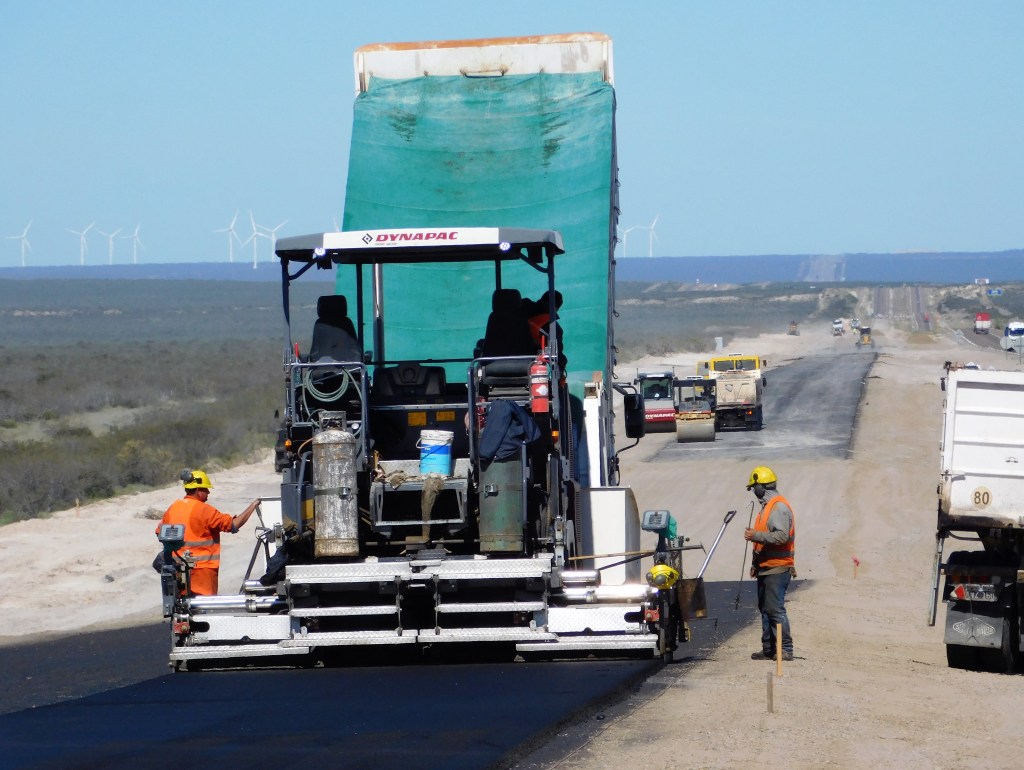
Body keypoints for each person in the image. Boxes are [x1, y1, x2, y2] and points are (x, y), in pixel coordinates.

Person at [155, 469, 260, 596]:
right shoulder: (204, 510)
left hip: (178, 571)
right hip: (202, 571)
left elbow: (160, 532)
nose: (208, 492)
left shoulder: (174, 507)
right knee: (204, 610)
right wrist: (253, 505)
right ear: (198, 490)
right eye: (206, 489)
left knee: (180, 608)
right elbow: (233, 525)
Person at [743, 465, 796, 661]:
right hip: (766, 567)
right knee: (765, 609)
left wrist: (755, 535)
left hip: (778, 567)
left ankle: (785, 649)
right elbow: (763, 542)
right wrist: (755, 564)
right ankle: (769, 649)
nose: (753, 492)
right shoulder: (767, 508)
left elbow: (781, 536)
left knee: (775, 608)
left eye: (754, 487)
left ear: (761, 486)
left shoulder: (778, 507)